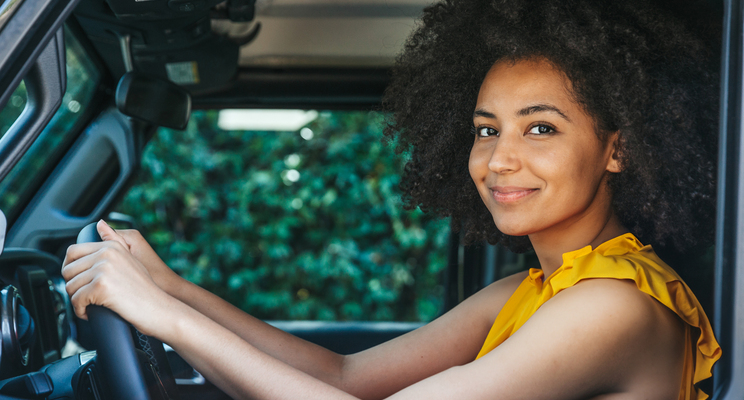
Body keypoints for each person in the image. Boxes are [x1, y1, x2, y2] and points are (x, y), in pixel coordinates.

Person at [62, 0, 722, 398]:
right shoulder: (540, 289)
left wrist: (161, 316)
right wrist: (170, 289)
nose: (499, 159)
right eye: (486, 129)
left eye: (541, 127)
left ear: (618, 148)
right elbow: (344, 379)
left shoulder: (613, 305)